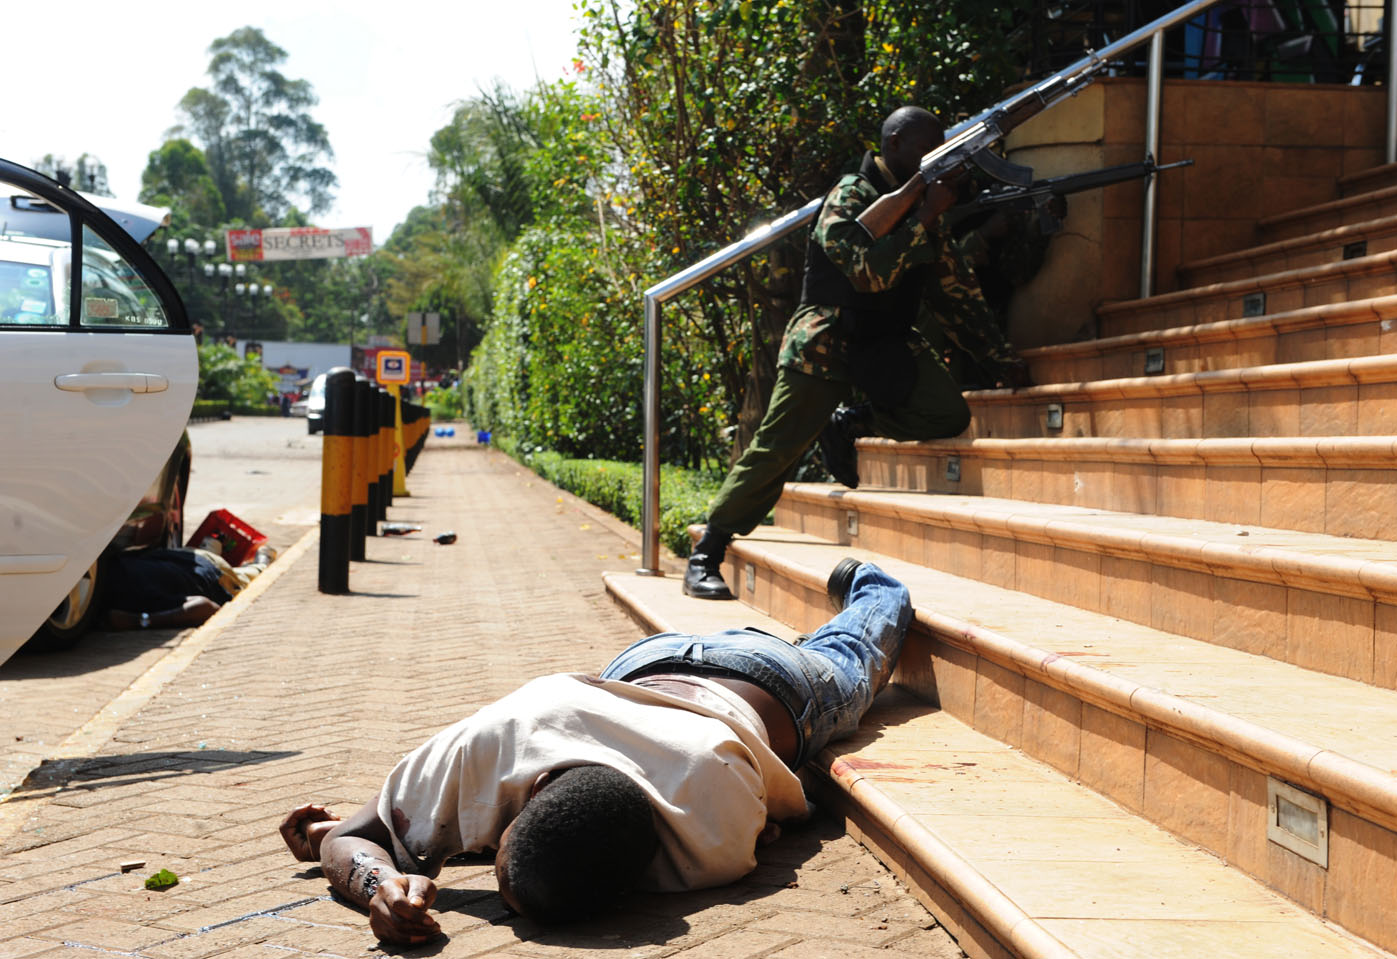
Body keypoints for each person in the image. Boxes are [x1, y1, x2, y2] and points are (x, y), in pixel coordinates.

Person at [279, 558, 911, 941]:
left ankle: (874, 587)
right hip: (712, 673)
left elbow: (349, 838)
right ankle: (870, 586)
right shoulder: (498, 738)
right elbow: (352, 841)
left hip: (719, 678)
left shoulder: (711, 839)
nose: (483, 840)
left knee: (856, 660)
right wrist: (379, 878)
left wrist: (374, 875)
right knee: (848, 654)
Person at [684, 106, 1045, 601]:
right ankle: (708, 551)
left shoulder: (926, 205)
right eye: (923, 146)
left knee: (946, 411)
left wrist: (1000, 359)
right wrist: (923, 216)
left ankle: (849, 423)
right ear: (893, 145)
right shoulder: (851, 194)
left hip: (886, 339)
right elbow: (864, 271)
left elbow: (954, 292)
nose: (931, 157)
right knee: (778, 446)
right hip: (827, 338)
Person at [103, 544, 274, 630]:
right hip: (185, 556)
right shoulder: (106, 564)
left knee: (251, 578)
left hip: (212, 572)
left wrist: (140, 620)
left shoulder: (134, 594)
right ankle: (213, 543)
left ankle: (263, 559)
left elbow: (206, 607)